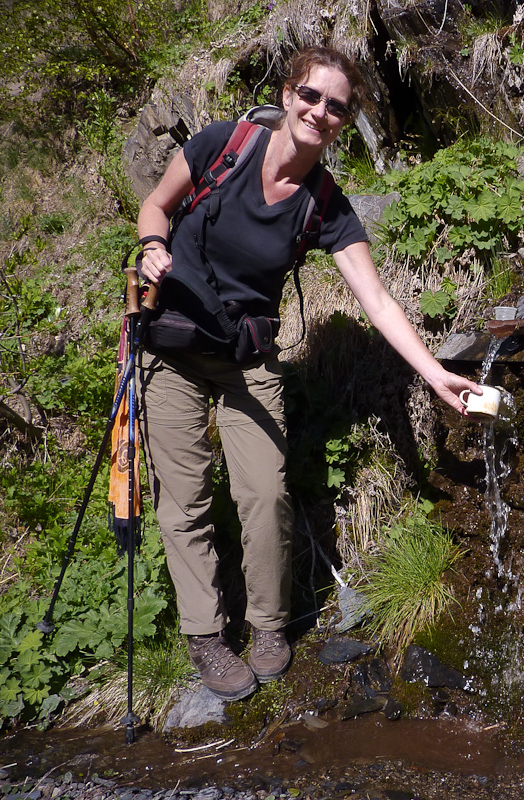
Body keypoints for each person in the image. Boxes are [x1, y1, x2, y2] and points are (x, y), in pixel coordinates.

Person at [136, 45, 480, 702]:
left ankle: (267, 626)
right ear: (289, 92)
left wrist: (435, 375)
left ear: (344, 123)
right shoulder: (221, 145)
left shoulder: (325, 205)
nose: (320, 112)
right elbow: (156, 205)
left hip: (246, 360)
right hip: (171, 349)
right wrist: (154, 245)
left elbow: (375, 301)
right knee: (185, 503)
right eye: (311, 96)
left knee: (264, 495)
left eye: (337, 107)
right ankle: (205, 635)